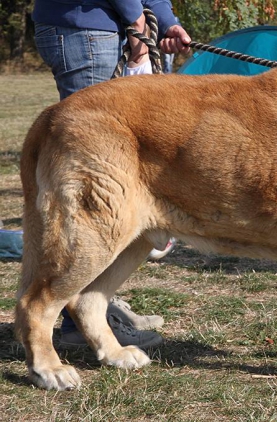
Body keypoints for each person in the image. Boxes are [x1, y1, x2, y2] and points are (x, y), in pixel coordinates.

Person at [32, 0, 191, 348]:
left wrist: (165, 23)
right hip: (88, 26)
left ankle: (98, 304)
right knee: (96, 197)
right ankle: (79, 324)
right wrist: (136, 18)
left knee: (116, 198)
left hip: (105, 25)